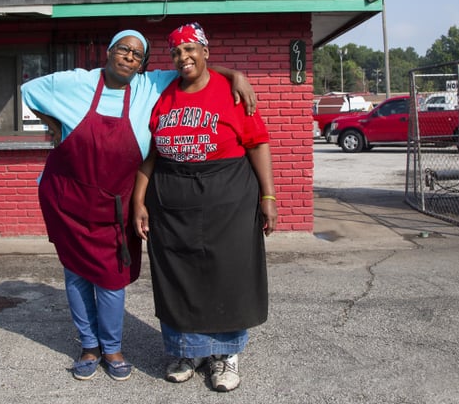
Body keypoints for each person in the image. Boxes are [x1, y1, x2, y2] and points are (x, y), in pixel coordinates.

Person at [20, 29, 256, 382]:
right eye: (123, 50)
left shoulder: (149, 86)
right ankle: (88, 347)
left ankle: (112, 349)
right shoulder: (76, 82)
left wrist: (234, 74)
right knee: (76, 276)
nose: (129, 57)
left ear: (142, 63)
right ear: (109, 52)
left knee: (112, 280)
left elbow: (193, 65)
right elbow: (28, 90)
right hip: (68, 199)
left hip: (115, 203)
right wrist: (54, 126)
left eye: (136, 54)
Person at [131, 22, 277, 392]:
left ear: (206, 51)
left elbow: (258, 143)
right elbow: (150, 155)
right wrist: (138, 201)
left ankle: (224, 357)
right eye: (177, 51)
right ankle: (186, 352)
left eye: (190, 49)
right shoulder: (164, 97)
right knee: (179, 279)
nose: (183, 57)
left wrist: (268, 197)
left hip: (228, 201)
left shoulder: (231, 92)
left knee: (228, 276)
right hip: (171, 203)